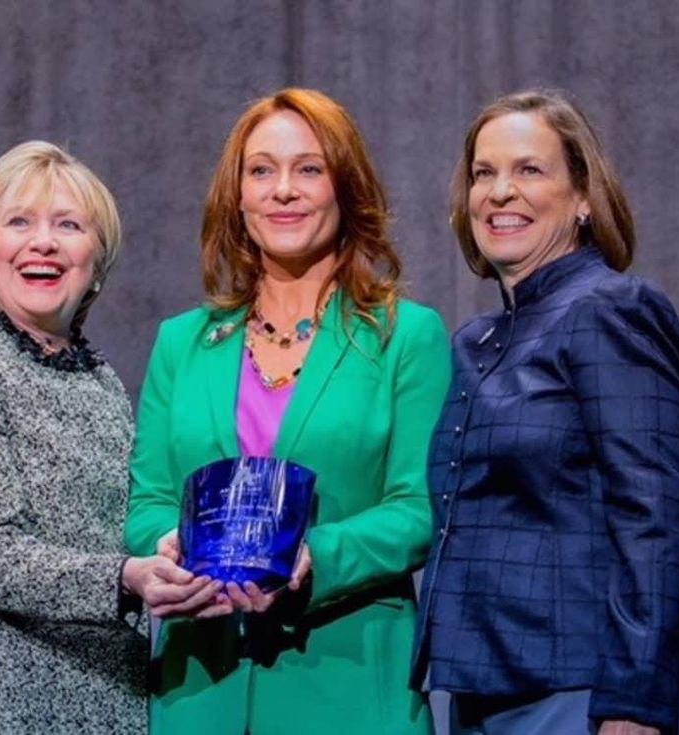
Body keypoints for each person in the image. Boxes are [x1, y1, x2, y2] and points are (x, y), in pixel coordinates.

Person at [125, 88, 451, 734]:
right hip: (198, 693)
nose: (284, 190)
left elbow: (420, 509)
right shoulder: (180, 343)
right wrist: (163, 549)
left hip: (350, 689)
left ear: (345, 188)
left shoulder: (406, 337)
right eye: (262, 170)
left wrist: (313, 558)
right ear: (238, 196)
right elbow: (149, 501)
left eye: (309, 168)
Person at [411, 89, 679, 735]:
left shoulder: (611, 308)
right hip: (482, 683)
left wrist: (635, 697)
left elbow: (653, 517)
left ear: (584, 197)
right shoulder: (477, 342)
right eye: (484, 172)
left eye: (529, 169)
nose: (500, 191)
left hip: (584, 686)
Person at [0, 140, 220, 733]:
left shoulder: (101, 382)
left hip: (105, 704)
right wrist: (126, 578)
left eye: (68, 225)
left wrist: (170, 552)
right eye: (19, 221)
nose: (43, 241)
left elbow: (120, 526)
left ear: (97, 262)